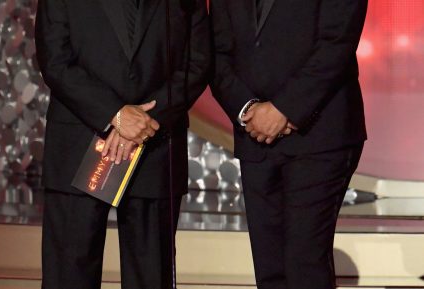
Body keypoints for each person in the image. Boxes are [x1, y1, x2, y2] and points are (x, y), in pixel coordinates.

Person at [35, 0, 210, 287]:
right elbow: (54, 58)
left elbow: (199, 62)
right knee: (69, 276)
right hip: (79, 141)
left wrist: (143, 120)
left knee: (152, 276)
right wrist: (115, 115)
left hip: (155, 145)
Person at [210, 0, 367, 288]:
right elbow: (216, 52)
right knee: (270, 268)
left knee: (304, 262)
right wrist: (247, 109)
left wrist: (285, 110)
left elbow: (337, 42)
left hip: (320, 135)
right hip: (254, 135)